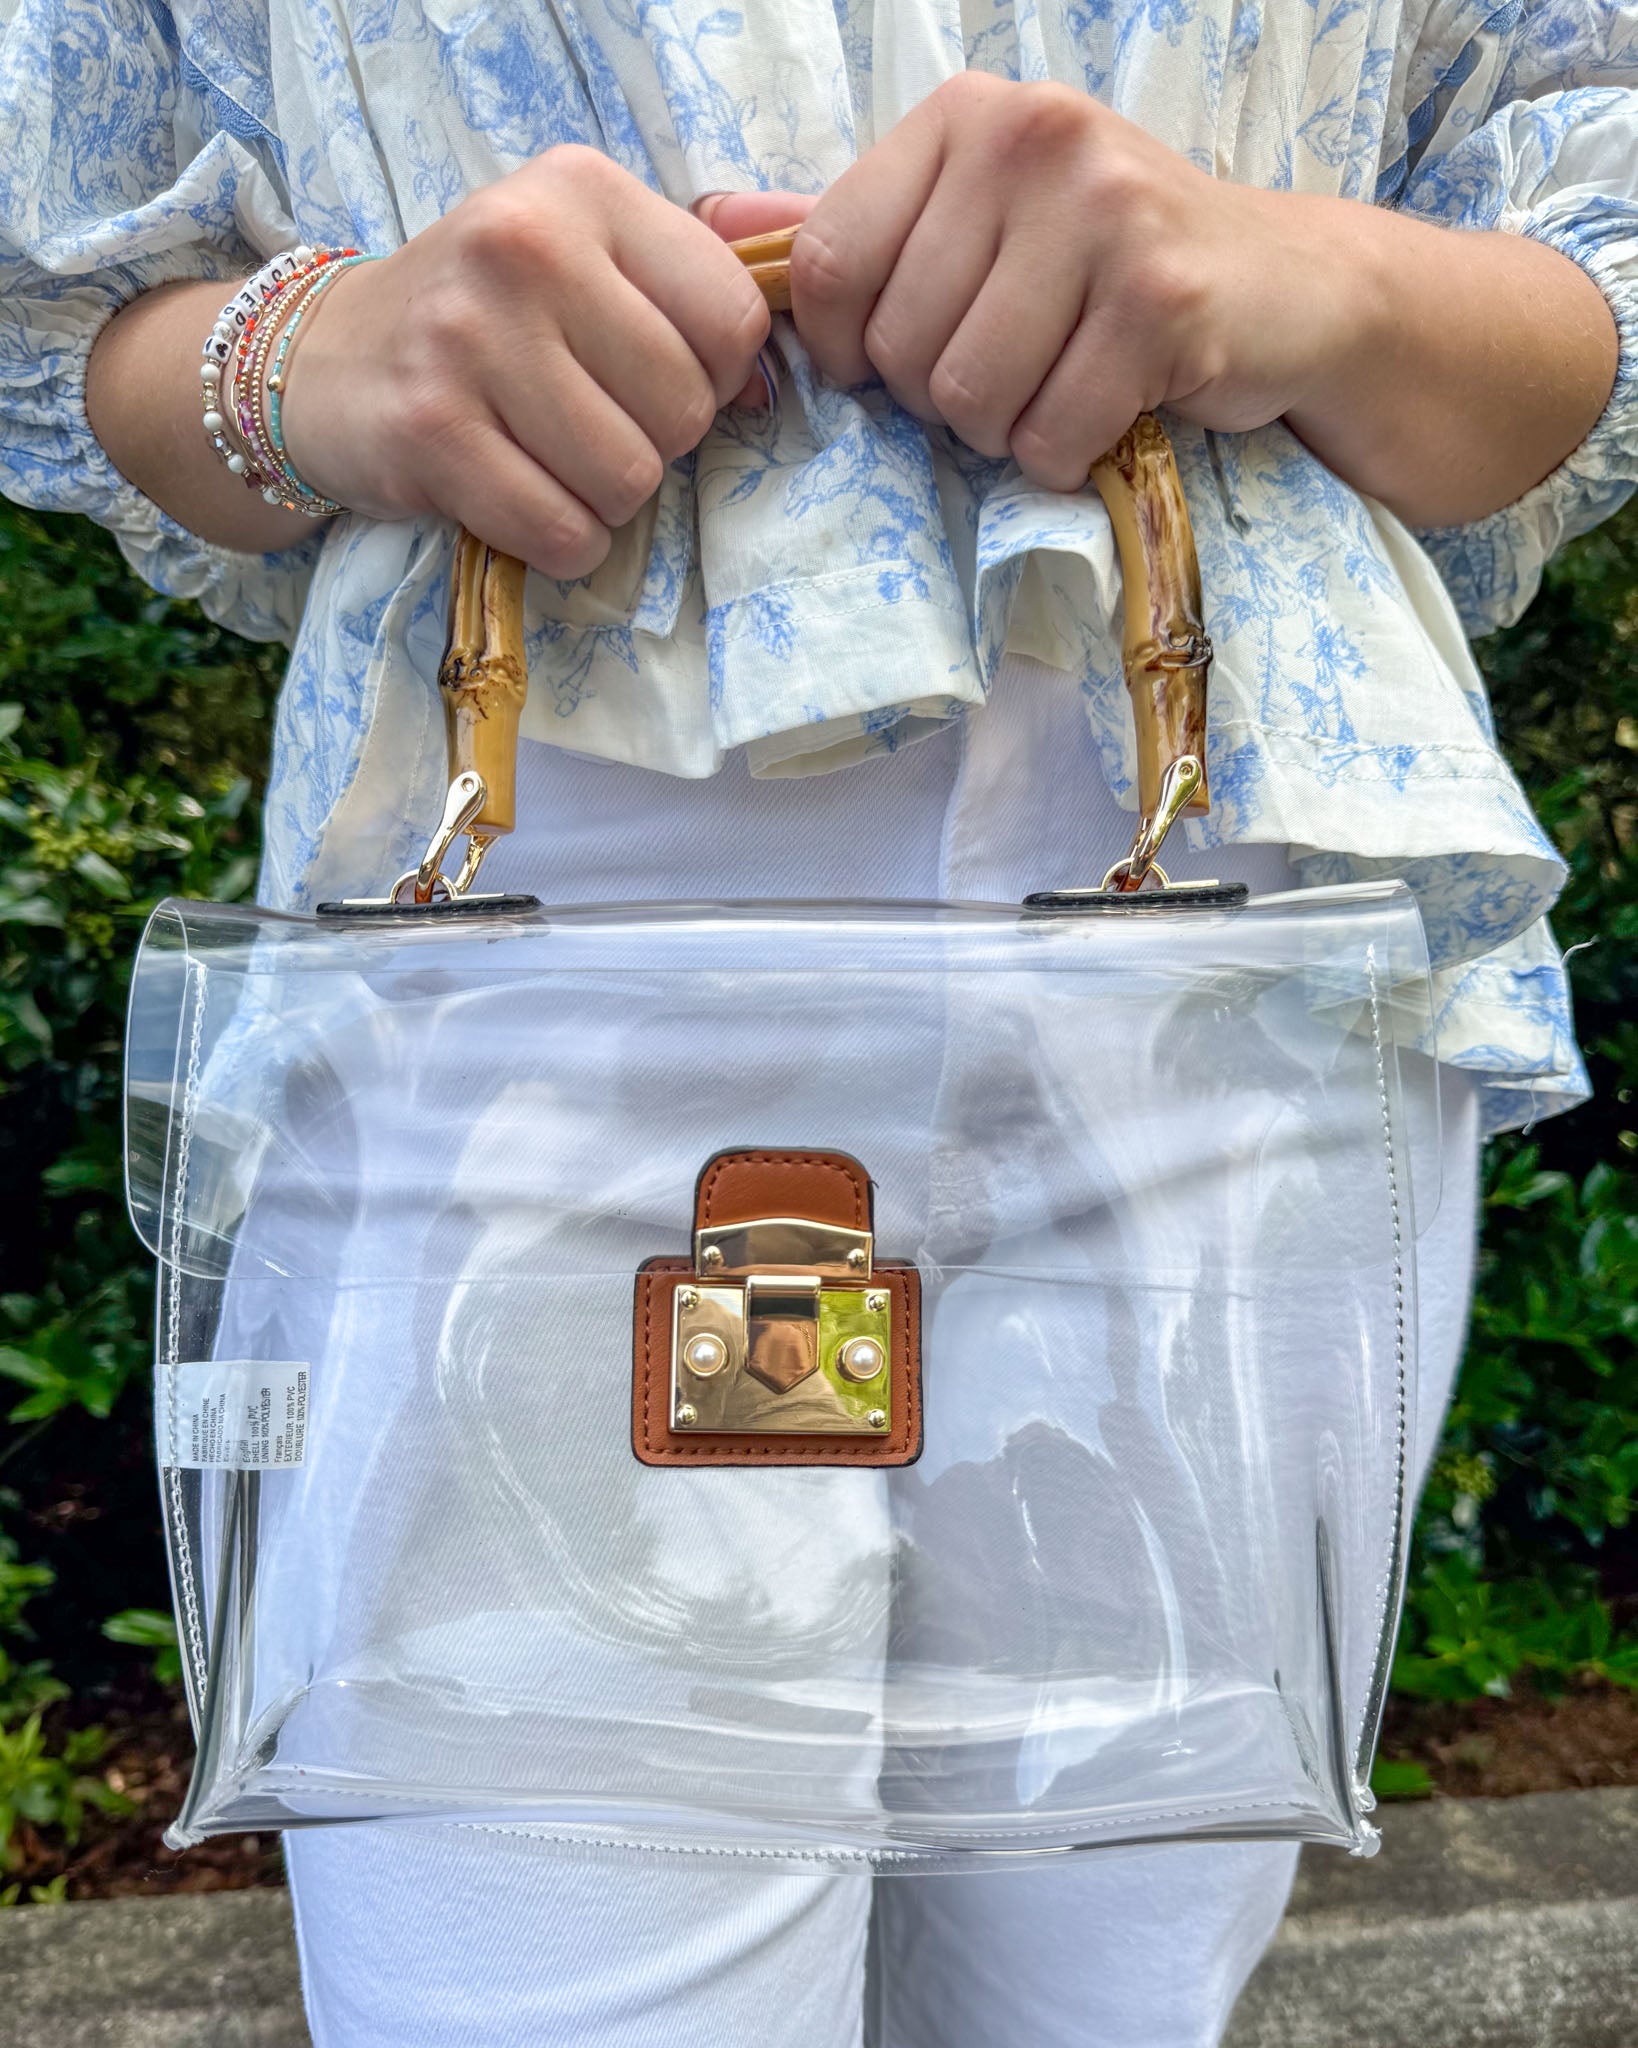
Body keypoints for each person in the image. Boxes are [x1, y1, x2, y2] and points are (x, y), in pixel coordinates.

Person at [2, 3, 1634, 2043]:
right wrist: (319, 354)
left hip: (1233, 980)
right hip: (521, 984)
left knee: (1106, 2010)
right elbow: (67, 305)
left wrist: (1312, 274)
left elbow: (1588, 241)